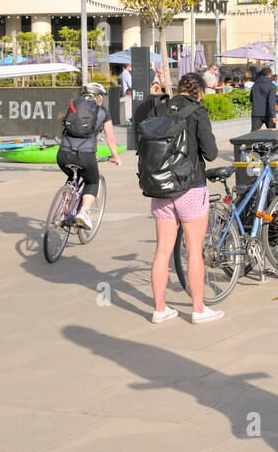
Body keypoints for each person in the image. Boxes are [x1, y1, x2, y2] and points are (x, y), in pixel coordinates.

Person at [136, 72, 223, 325]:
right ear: (199, 91)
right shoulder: (197, 111)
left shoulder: (160, 109)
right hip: (190, 187)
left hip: (160, 188)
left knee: (162, 251)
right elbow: (211, 153)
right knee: (194, 251)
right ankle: (198, 309)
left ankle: (160, 308)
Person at [56, 81, 121, 229]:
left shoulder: (72, 107)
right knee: (93, 181)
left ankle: (64, 214)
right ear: (98, 97)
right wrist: (115, 156)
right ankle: (83, 212)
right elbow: (110, 137)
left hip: (63, 154)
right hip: (85, 156)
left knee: (72, 178)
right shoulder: (102, 112)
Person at [250, 65, 277, 130]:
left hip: (256, 113)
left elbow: (251, 98)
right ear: (270, 74)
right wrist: (273, 115)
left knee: (253, 135)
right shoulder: (272, 86)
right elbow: (271, 101)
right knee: (272, 134)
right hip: (268, 113)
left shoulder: (255, 84)